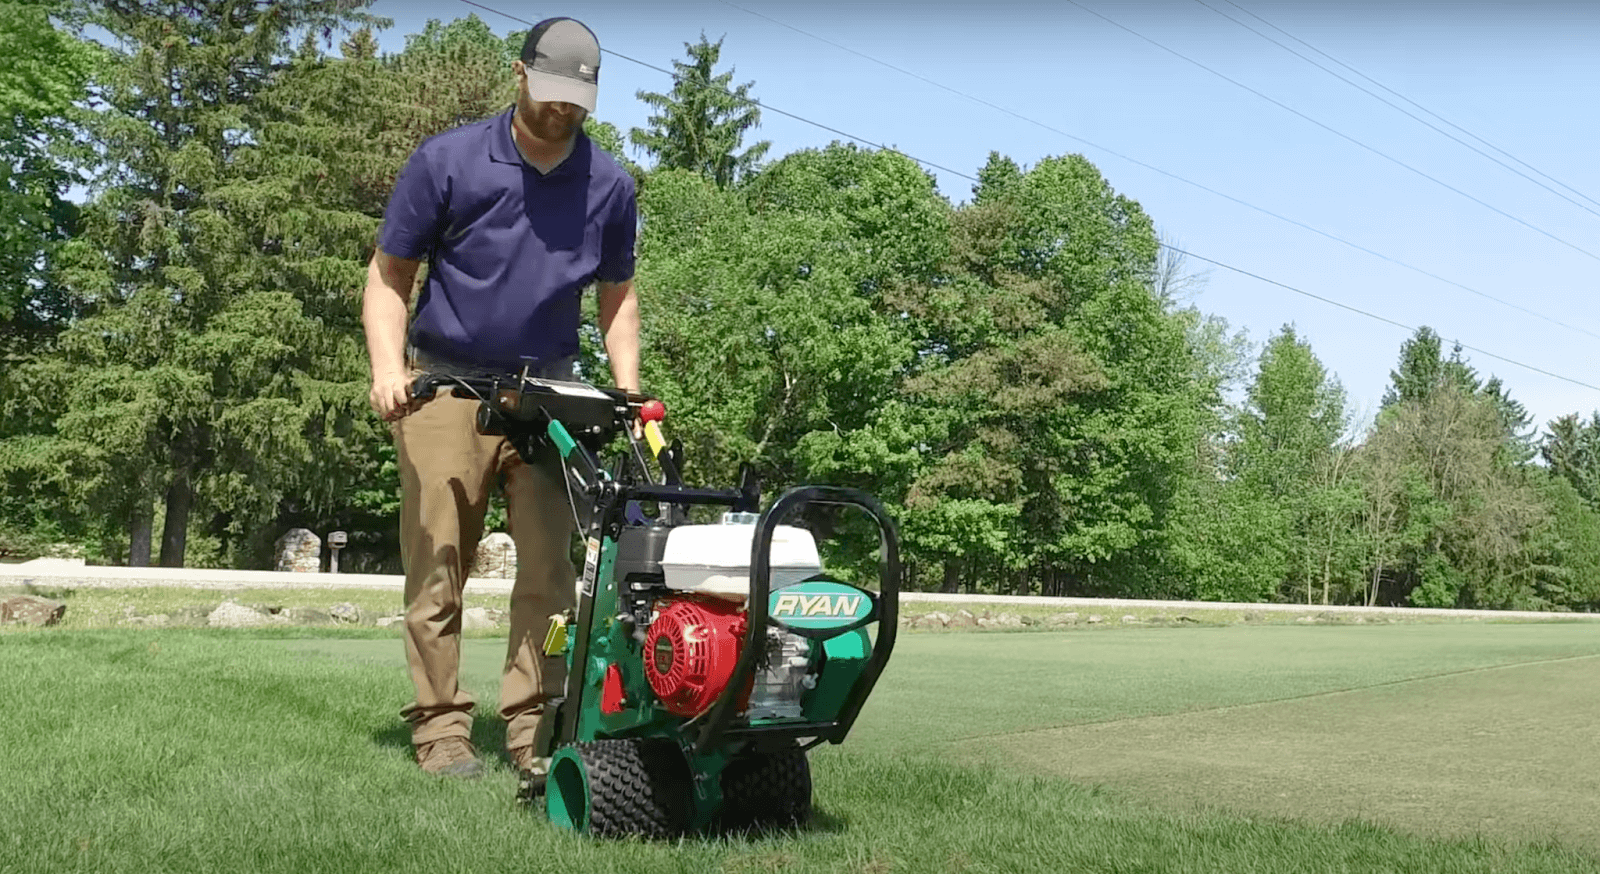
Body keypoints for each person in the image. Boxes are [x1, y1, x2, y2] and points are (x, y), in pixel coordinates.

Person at [361, 16, 639, 781]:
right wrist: (389, 368)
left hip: (550, 394)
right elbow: (390, 277)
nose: (561, 111)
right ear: (519, 76)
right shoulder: (449, 160)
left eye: (576, 100)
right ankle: (441, 729)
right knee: (439, 565)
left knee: (553, 576)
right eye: (549, 94)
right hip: (446, 384)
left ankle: (533, 733)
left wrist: (627, 390)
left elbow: (617, 296)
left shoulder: (609, 184)